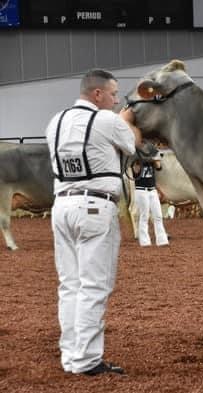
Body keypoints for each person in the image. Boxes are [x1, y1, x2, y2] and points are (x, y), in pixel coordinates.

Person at [46, 69, 142, 375]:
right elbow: (134, 145)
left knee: (69, 285)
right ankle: (87, 360)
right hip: (94, 206)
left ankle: (71, 356)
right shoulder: (106, 120)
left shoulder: (56, 121)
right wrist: (127, 120)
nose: (116, 100)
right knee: (94, 286)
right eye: (113, 94)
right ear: (97, 94)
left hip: (62, 205)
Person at [132, 152, 169, 247]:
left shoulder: (151, 161)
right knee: (144, 216)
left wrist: (154, 158)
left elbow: (159, 167)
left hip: (152, 190)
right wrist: (143, 159)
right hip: (141, 190)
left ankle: (162, 240)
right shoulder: (136, 159)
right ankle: (145, 241)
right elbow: (136, 171)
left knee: (158, 215)